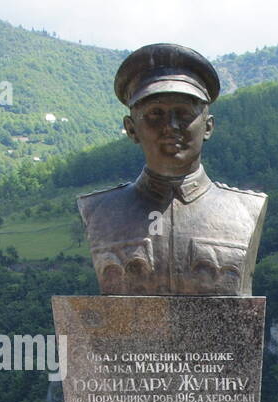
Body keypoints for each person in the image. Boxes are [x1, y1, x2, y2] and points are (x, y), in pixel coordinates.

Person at [77, 42, 267, 296]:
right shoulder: (99, 211)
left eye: (184, 113)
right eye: (156, 114)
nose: (171, 126)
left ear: (208, 127)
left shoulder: (245, 210)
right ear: (132, 129)